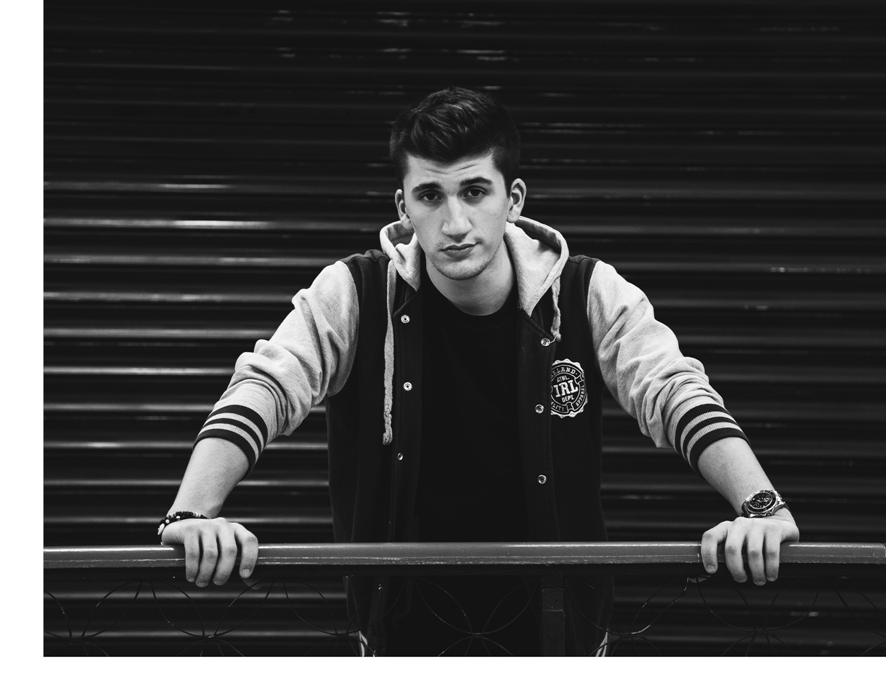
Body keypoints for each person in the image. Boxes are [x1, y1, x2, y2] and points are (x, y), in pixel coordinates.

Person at [158, 87, 800, 655]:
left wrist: (761, 507)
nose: (455, 223)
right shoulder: (356, 292)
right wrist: (192, 515)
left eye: (474, 191)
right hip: (401, 642)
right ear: (403, 207)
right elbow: (266, 385)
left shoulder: (586, 291)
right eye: (430, 196)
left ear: (512, 198)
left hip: (560, 641)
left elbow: (672, 388)